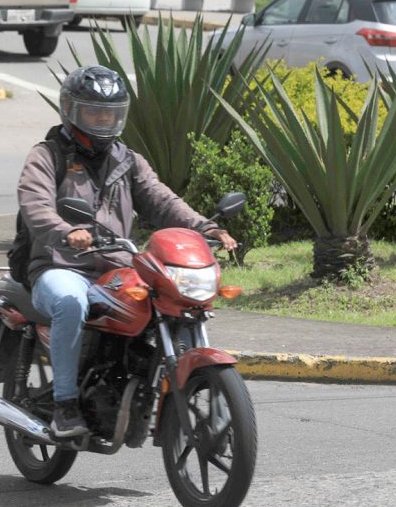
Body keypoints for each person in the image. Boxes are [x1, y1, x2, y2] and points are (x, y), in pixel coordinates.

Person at [17, 65, 238, 437]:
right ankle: (65, 405)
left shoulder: (128, 160)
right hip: (59, 265)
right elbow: (35, 205)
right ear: (70, 111)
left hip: (115, 266)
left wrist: (204, 227)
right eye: (94, 112)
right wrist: (67, 231)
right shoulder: (47, 155)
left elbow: (161, 200)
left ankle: (147, 385)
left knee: (168, 299)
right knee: (71, 302)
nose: (103, 121)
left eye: (111, 113)